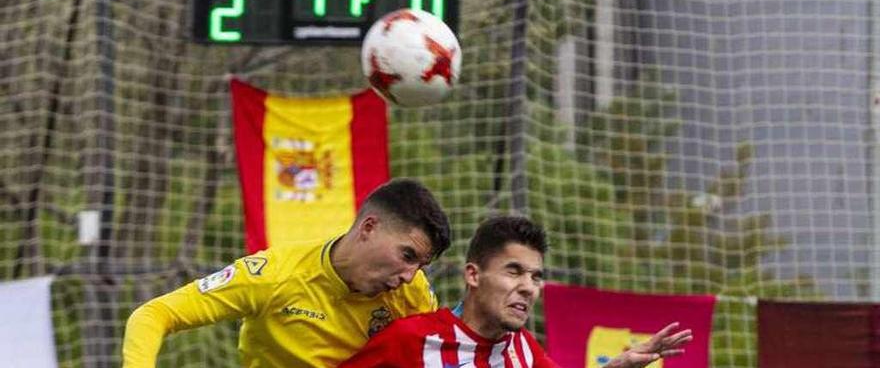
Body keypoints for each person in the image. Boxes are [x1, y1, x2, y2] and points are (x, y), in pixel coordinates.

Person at [122, 177, 451, 367]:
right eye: (407, 255)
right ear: (369, 227)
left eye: (420, 265)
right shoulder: (275, 275)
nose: (410, 275)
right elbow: (154, 315)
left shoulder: (412, 291)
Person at [340, 215, 693, 368]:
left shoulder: (522, 347)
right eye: (514, 272)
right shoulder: (411, 340)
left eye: (536, 277)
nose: (528, 287)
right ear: (474, 275)